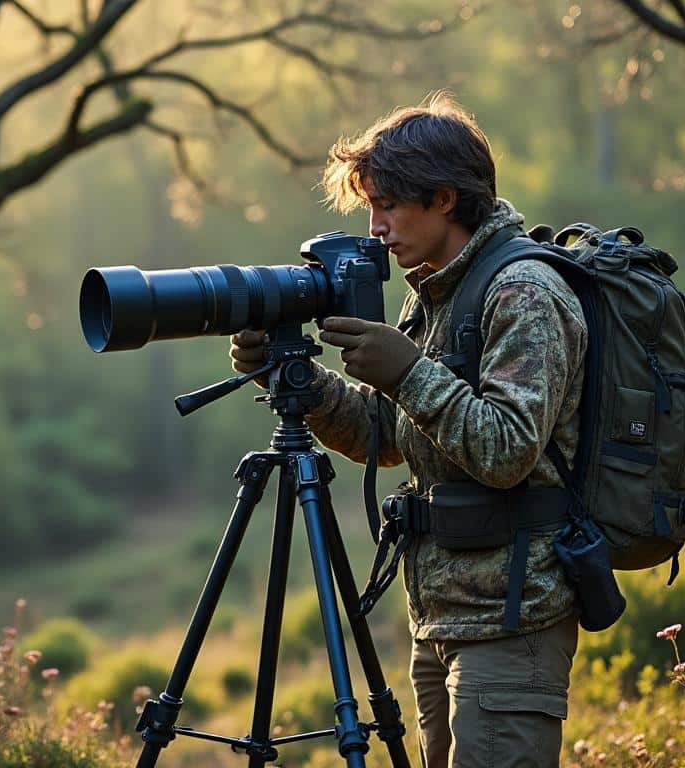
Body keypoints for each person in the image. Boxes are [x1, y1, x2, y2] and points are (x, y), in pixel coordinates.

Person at [230, 93, 587, 768]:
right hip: (442, 616)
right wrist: (291, 380)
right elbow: (384, 435)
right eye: (371, 206)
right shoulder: (433, 291)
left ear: (446, 198)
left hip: (515, 614)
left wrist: (407, 372)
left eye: (389, 204)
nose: (377, 227)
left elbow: (507, 450)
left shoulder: (524, 293)